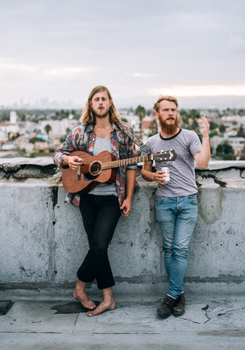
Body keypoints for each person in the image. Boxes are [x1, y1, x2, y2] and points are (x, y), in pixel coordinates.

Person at [53, 86, 138, 317]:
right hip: (86, 197)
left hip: (113, 197)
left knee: (99, 246)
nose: (100, 102)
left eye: (104, 99)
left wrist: (129, 197)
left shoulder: (124, 132)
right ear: (91, 104)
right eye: (96, 99)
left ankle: (79, 289)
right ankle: (108, 298)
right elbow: (58, 155)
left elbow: (131, 166)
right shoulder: (80, 132)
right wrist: (69, 159)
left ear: (110, 103)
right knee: (98, 249)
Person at [141, 95, 210, 318]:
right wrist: (154, 176)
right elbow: (144, 171)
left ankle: (170, 296)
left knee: (180, 249)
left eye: (173, 109)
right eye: (166, 110)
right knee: (169, 249)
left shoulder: (189, 136)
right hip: (164, 201)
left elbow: (203, 163)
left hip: (188, 200)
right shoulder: (151, 142)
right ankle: (179, 296)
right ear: (157, 114)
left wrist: (206, 135)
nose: (170, 113)